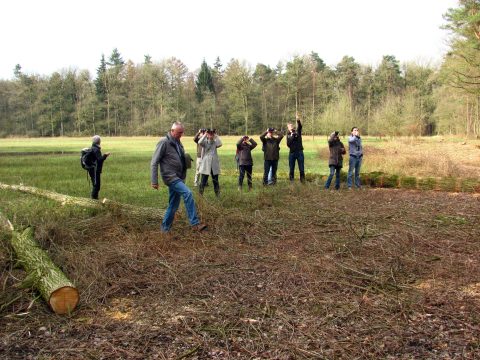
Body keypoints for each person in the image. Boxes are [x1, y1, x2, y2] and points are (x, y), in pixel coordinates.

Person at [151, 122, 207, 232]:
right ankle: (195, 224)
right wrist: (154, 181)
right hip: (170, 177)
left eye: (182, 133)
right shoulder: (163, 142)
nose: (180, 135)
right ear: (172, 131)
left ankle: (164, 229)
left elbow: (180, 157)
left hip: (179, 177)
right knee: (188, 193)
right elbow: (154, 162)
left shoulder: (178, 142)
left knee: (173, 205)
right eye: (178, 133)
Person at [198, 129, 222, 196]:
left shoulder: (215, 142)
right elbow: (199, 142)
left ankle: (218, 195)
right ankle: (200, 196)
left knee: (216, 181)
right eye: (209, 134)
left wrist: (215, 135)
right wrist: (205, 134)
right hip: (206, 164)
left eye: (212, 134)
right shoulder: (205, 142)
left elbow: (220, 144)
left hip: (214, 164)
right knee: (203, 181)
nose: (211, 135)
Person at [88, 135, 110, 200]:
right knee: (97, 186)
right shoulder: (96, 149)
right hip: (95, 170)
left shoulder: (92, 147)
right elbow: (100, 159)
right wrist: (105, 155)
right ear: (99, 141)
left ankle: (95, 198)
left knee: (95, 184)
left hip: (92, 169)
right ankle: (93, 199)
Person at [286, 112, 305, 183]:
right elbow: (288, 144)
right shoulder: (288, 135)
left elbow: (300, 126)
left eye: (291, 125)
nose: (290, 126)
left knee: (301, 168)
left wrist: (298, 120)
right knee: (291, 169)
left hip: (300, 152)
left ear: (293, 126)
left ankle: (303, 182)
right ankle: (292, 182)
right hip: (292, 153)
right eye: (289, 126)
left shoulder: (297, 131)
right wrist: (292, 136)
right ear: (288, 128)